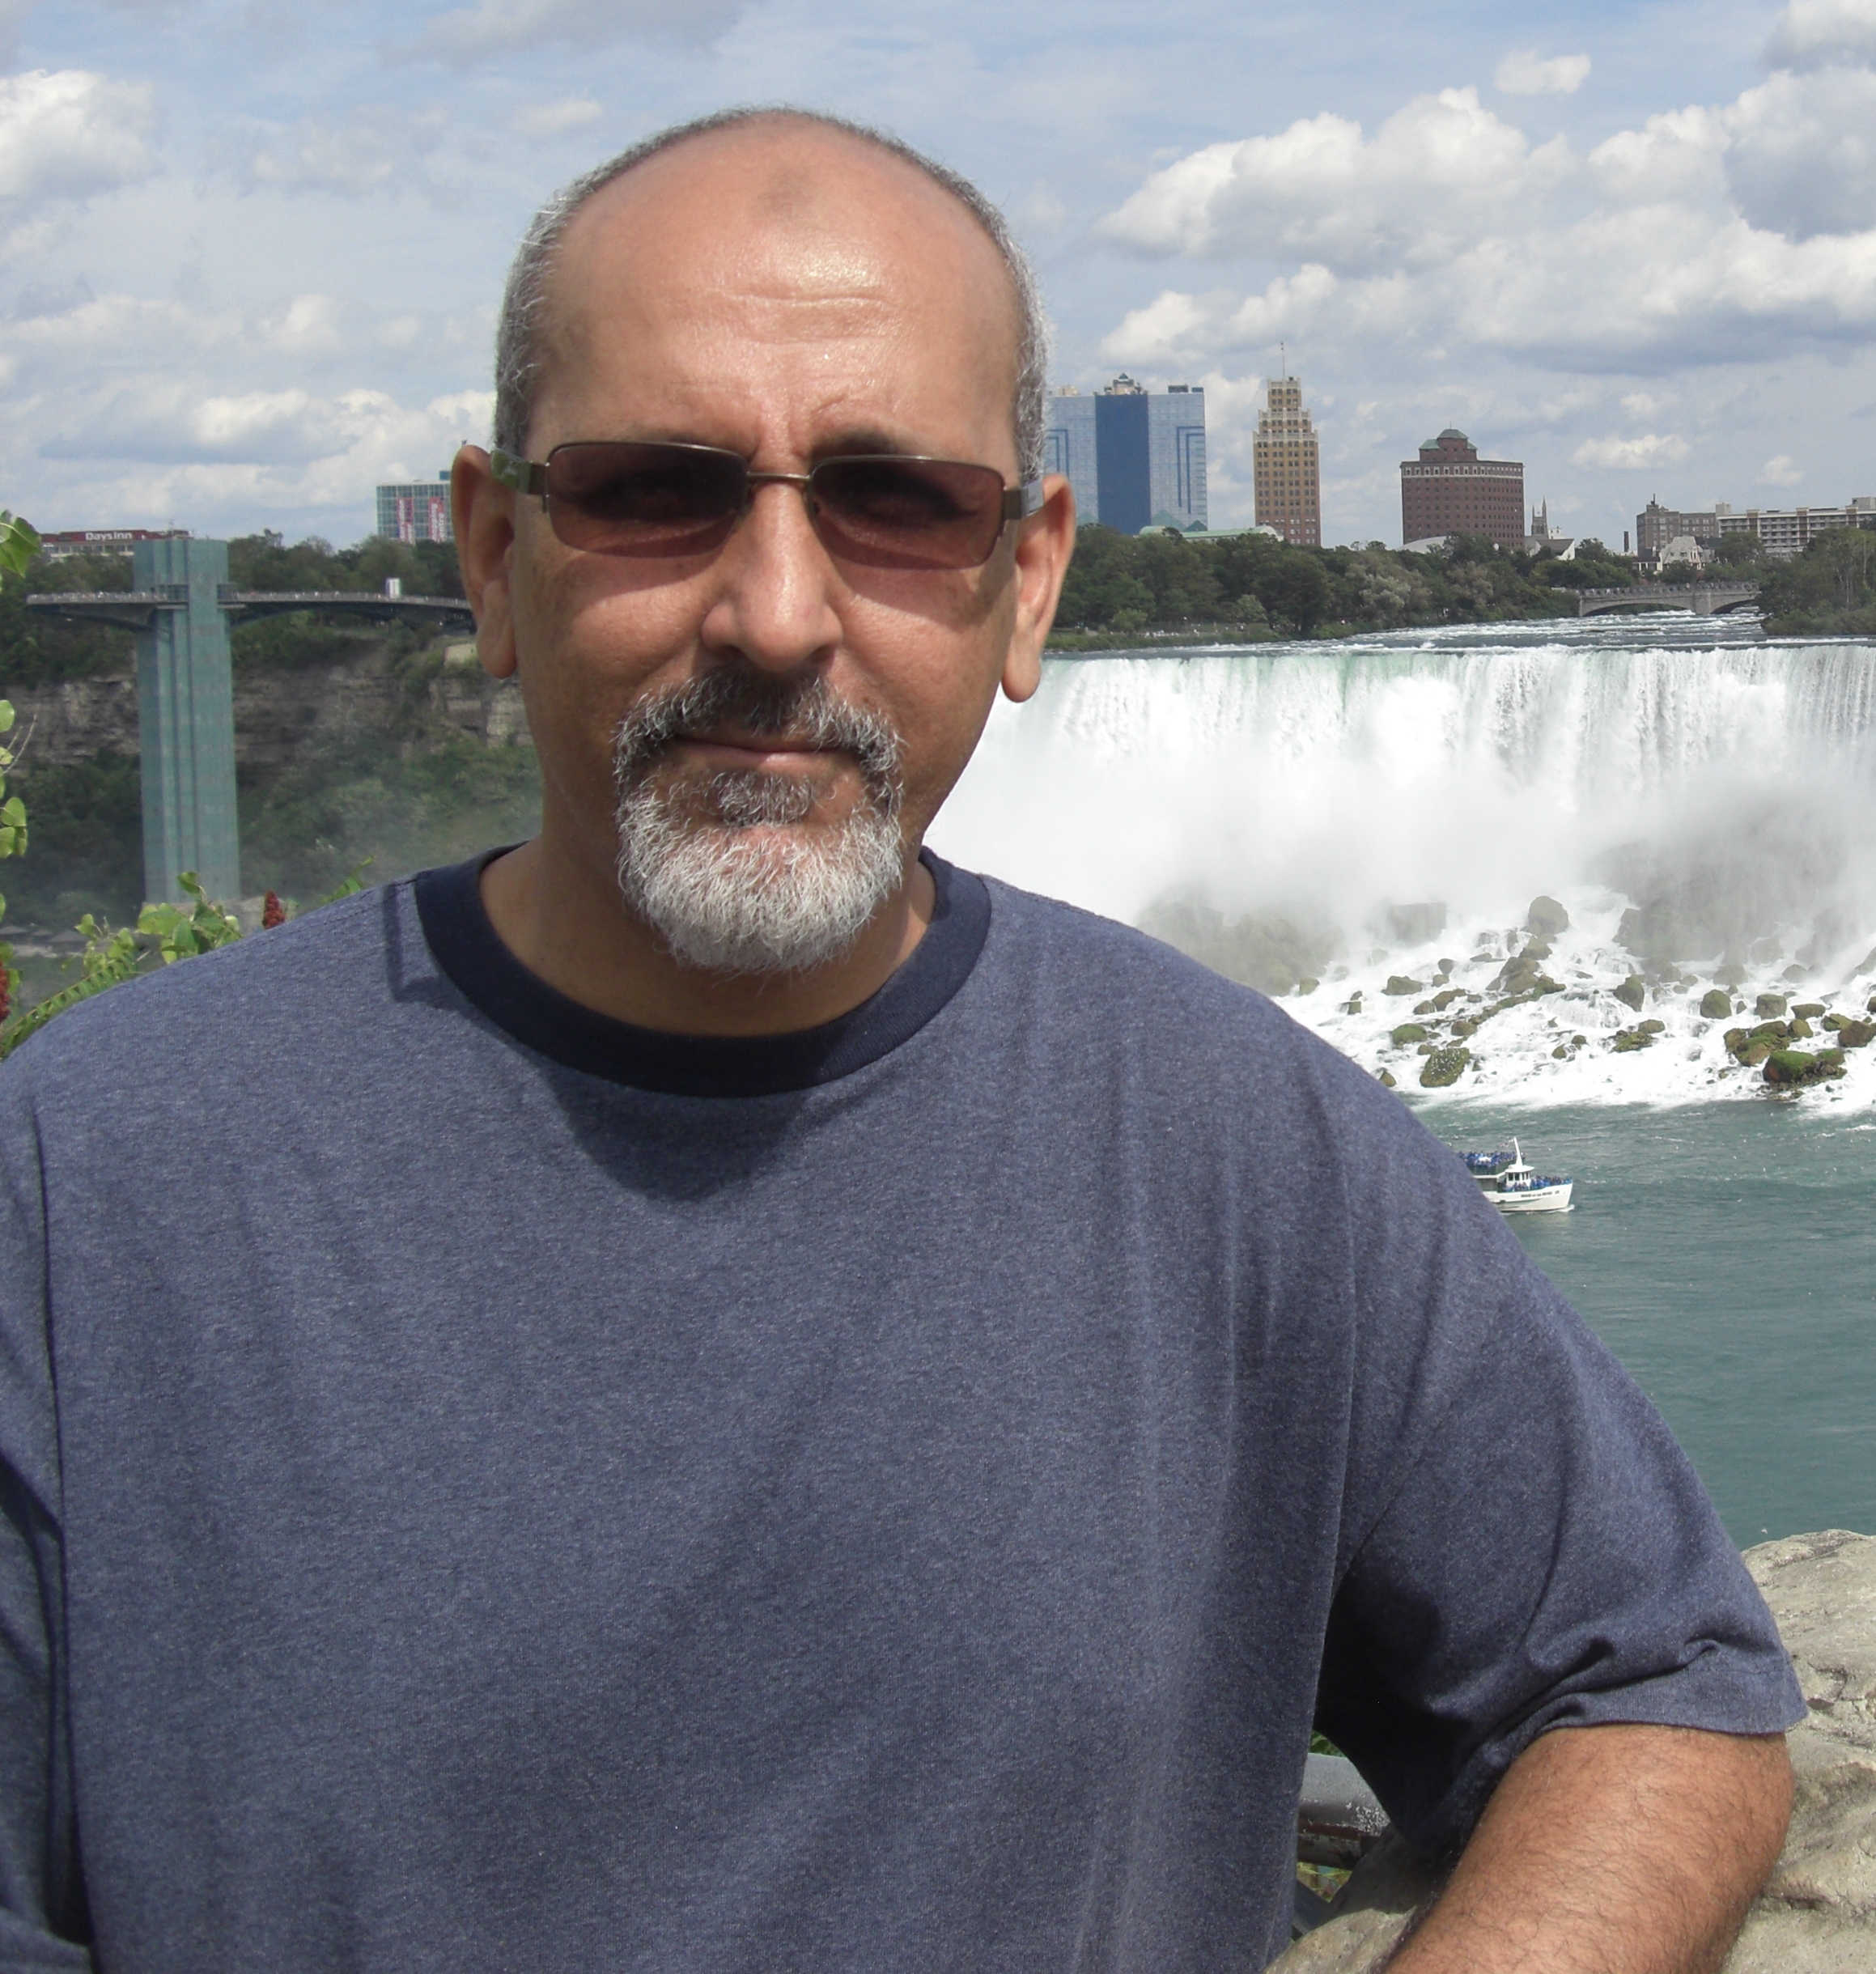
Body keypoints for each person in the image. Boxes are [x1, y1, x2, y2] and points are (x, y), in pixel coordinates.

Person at [0, 108, 1800, 1974]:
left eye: (897, 502)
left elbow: (1654, 1682)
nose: (776, 614)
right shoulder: (76, 1186)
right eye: (655, 486)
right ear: (489, 550)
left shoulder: (1242, 1144)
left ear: (1027, 578)